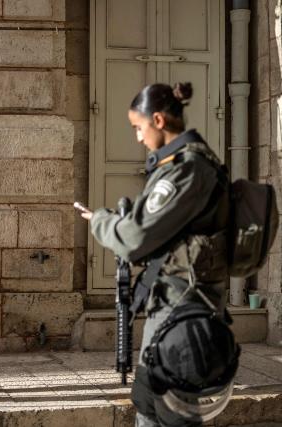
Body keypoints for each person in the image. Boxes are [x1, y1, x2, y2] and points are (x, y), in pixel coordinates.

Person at [81, 83, 237, 426]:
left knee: (172, 413)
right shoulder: (178, 164)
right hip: (173, 303)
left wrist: (102, 221)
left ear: (158, 120)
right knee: (149, 403)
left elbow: (135, 238)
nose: (138, 138)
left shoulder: (187, 168)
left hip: (186, 308)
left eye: (139, 128)